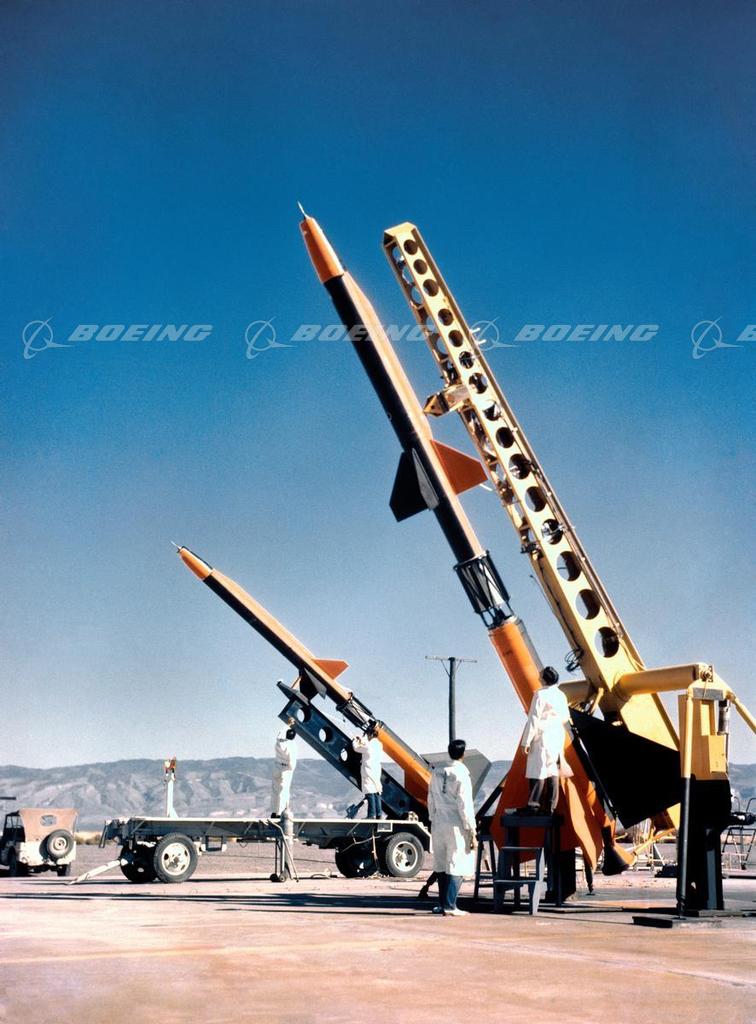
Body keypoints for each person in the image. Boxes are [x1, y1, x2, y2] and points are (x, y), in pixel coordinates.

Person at [427, 738, 477, 917]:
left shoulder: (437, 772)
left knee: (441, 862)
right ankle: (450, 905)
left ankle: (442, 904)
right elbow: (464, 804)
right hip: (455, 822)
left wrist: (432, 817)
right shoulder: (462, 773)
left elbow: (430, 798)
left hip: (438, 821)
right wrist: (471, 829)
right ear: (463, 754)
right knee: (458, 861)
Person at [522, 666, 571, 814]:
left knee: (538, 769)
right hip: (557, 734)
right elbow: (565, 717)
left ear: (544, 679)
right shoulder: (561, 695)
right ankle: (551, 807)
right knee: (552, 769)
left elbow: (533, 718)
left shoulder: (540, 694)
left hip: (542, 735)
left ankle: (533, 805)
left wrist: (526, 741)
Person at [352, 725, 384, 819]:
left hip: (368, 770)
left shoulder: (368, 745)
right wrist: (362, 741)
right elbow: (366, 746)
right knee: (376, 791)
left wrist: (355, 741)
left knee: (369, 791)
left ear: (370, 734)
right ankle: (379, 814)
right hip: (376, 770)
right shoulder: (379, 745)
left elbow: (356, 748)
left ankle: (371, 814)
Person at [271, 719, 297, 817]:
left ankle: (274, 811)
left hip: (277, 767)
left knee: (275, 790)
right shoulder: (292, 745)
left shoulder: (279, 742)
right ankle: (280, 813)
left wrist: (288, 724)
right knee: (284, 791)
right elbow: (292, 760)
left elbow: (279, 735)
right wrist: (291, 769)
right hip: (286, 769)